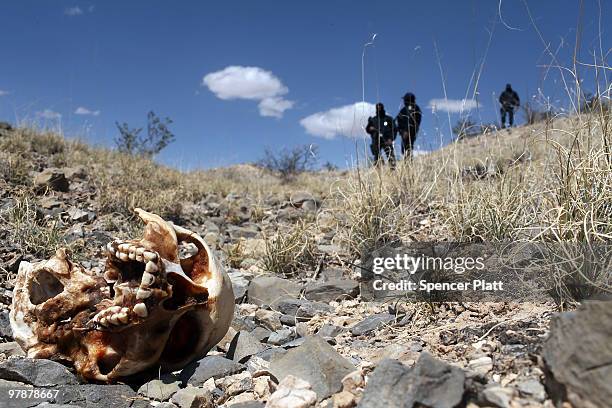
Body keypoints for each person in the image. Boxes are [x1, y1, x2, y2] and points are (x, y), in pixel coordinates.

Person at [365, 103, 396, 168]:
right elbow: (367, 129)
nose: (379, 109)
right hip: (376, 140)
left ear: (382, 108)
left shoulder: (388, 119)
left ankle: (393, 170)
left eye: (380, 107)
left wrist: (391, 138)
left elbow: (394, 129)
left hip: (387, 139)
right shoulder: (373, 120)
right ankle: (378, 171)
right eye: (377, 108)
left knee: (390, 155)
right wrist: (370, 128)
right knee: (377, 156)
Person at [395, 92, 422, 158]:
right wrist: (401, 131)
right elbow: (398, 121)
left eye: (405, 100)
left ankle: (408, 163)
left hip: (411, 132)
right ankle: (407, 163)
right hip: (404, 132)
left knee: (408, 148)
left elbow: (416, 121)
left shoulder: (415, 108)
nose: (404, 101)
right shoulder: (403, 110)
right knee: (404, 149)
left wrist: (407, 131)